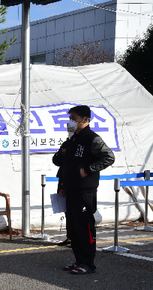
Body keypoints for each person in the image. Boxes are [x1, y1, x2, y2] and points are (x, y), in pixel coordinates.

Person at [59, 105, 115, 274]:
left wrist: (87, 170)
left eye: (74, 119)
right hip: (71, 190)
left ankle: (88, 263)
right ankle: (78, 260)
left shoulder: (92, 138)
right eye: (70, 119)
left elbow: (109, 157)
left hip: (85, 191)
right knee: (74, 229)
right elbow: (63, 164)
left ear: (85, 120)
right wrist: (63, 185)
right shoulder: (72, 139)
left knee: (85, 228)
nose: (71, 122)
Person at [52, 138, 71, 247]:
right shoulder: (67, 142)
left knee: (75, 212)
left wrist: (65, 154)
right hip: (63, 179)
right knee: (66, 210)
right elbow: (55, 159)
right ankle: (70, 237)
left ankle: (77, 239)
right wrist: (63, 154)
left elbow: (73, 159)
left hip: (74, 181)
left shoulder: (84, 141)